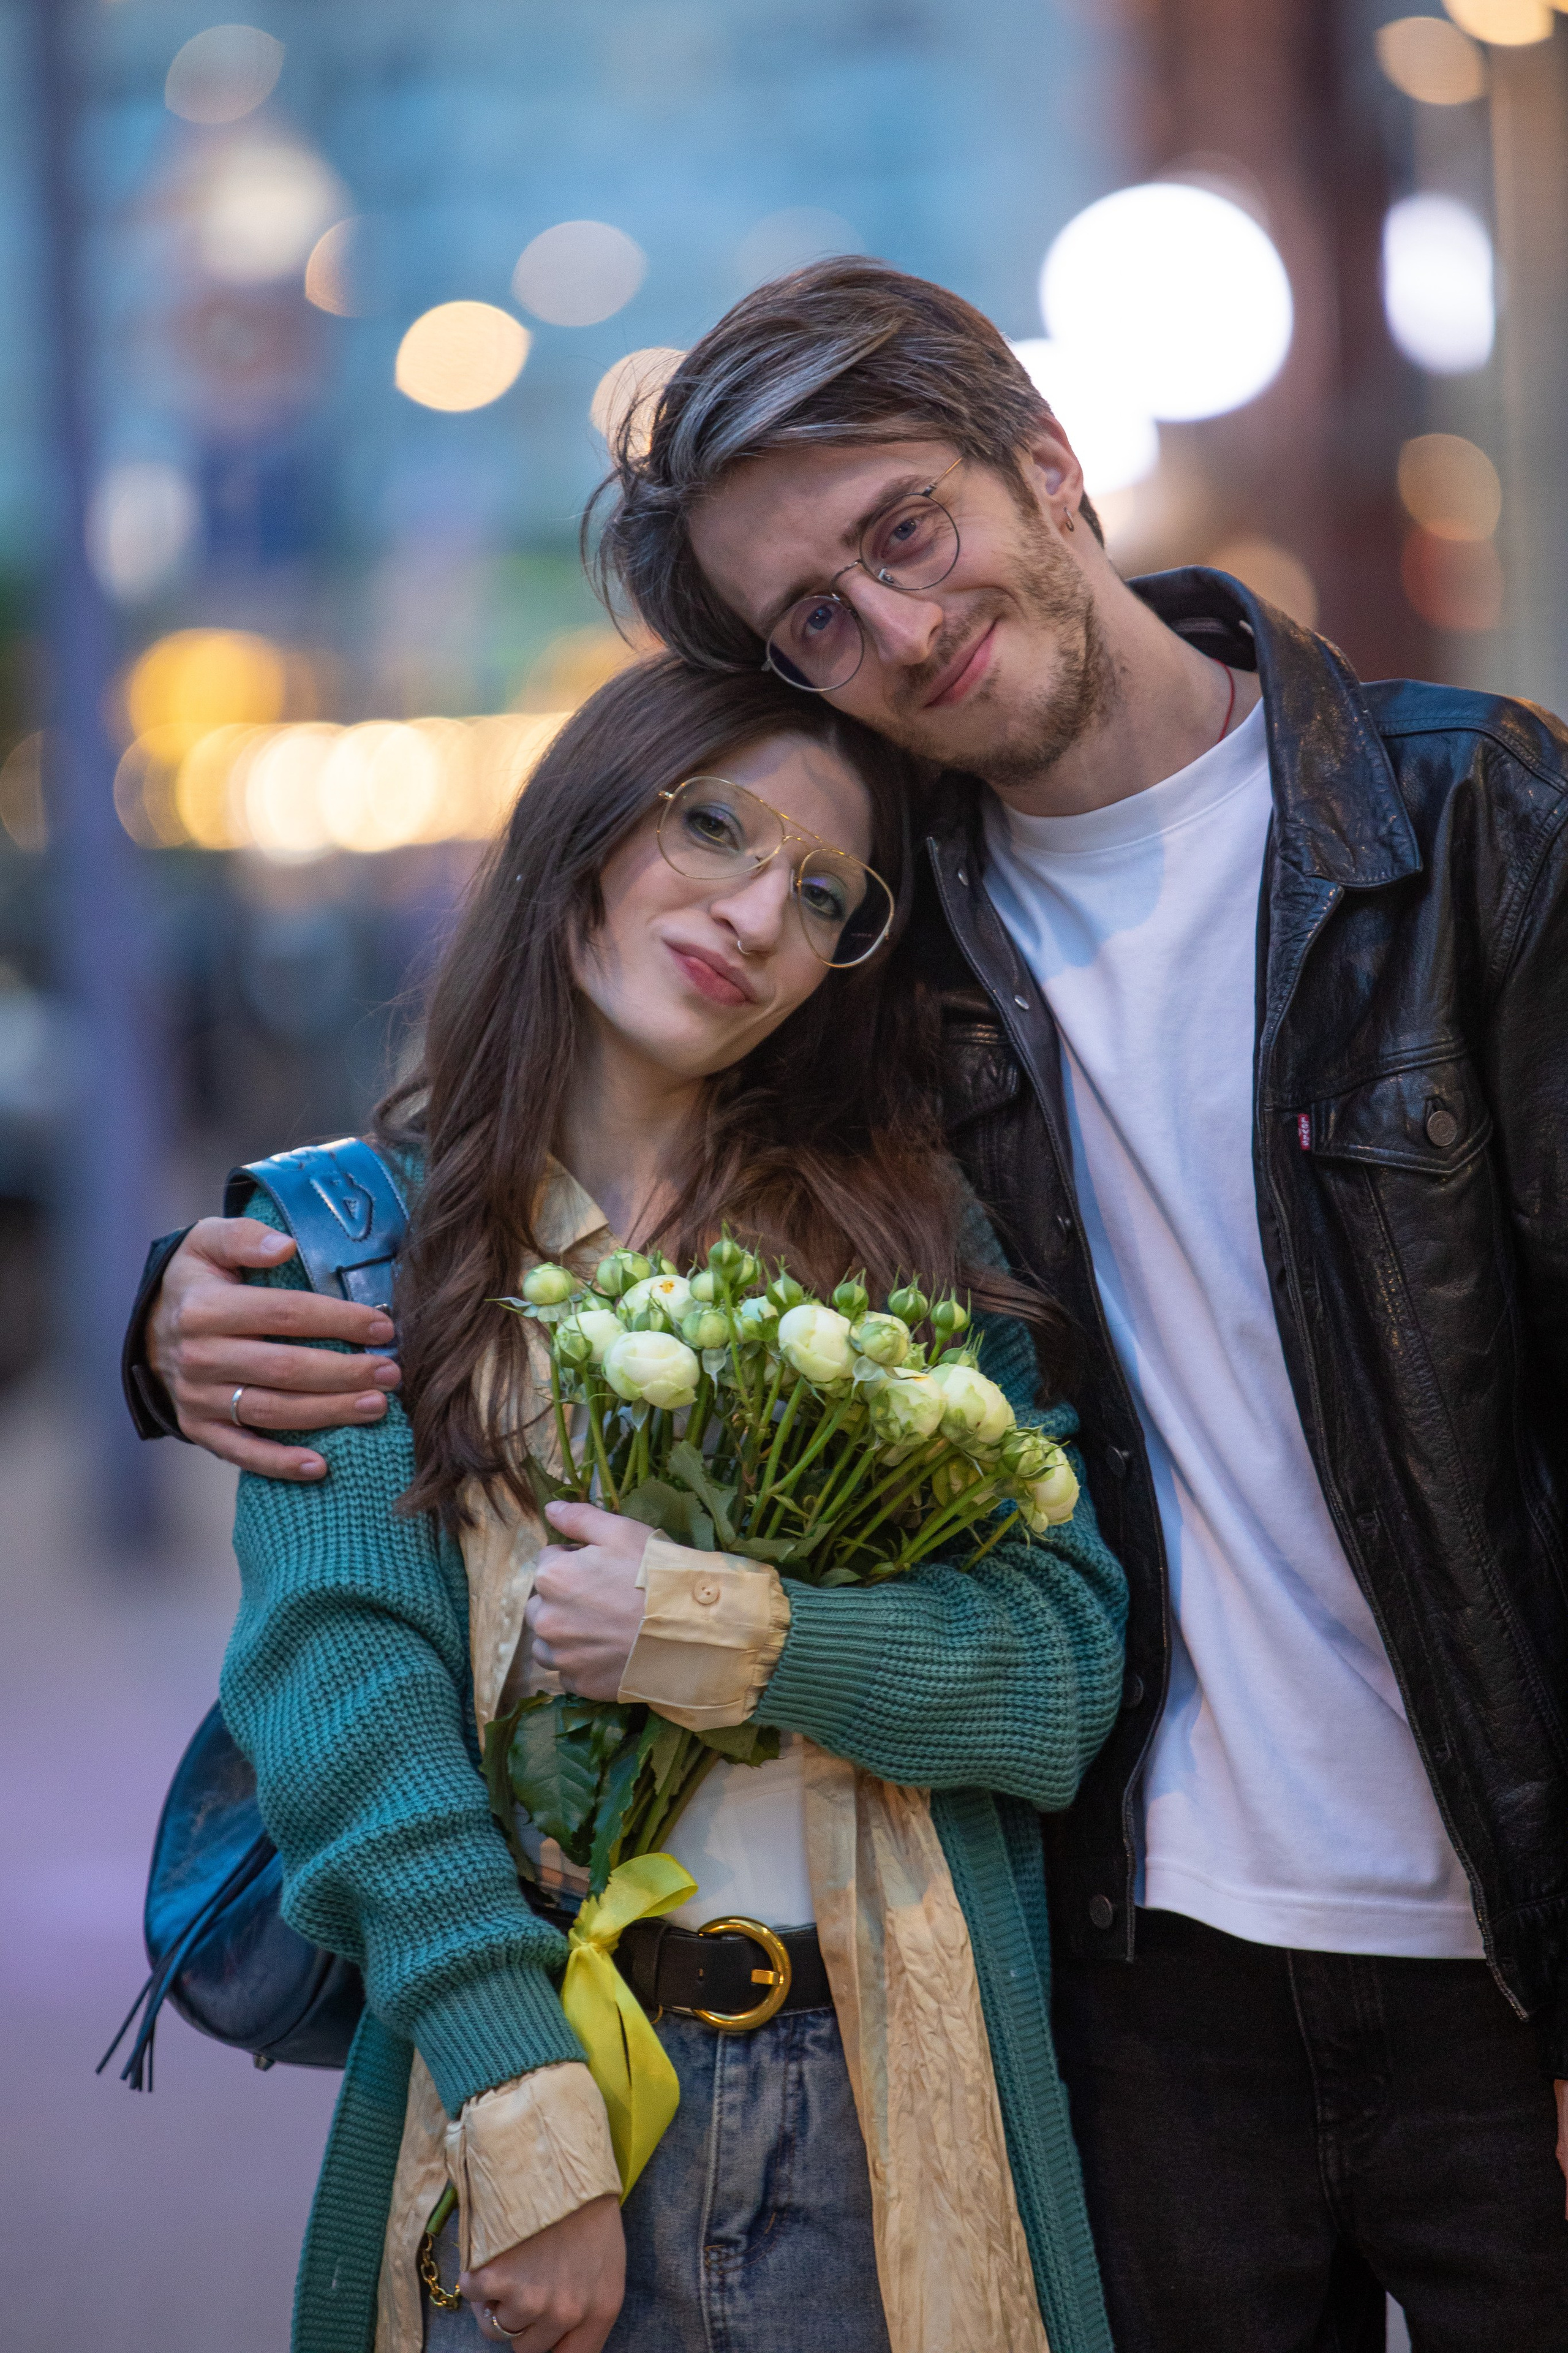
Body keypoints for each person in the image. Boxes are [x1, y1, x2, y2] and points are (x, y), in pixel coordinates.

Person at [127, 259, 1568, 2349]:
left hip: (1496, 1950)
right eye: (813, 616)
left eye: (904, 529)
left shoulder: (1473, 822)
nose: (891, 628)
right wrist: (188, 1311)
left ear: (1047, 466)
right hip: (1116, 1982)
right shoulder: (897, 957)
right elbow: (529, 1211)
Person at [177, 651, 1126, 2353]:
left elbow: (1059, 1671)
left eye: (823, 892)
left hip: (880, 2112)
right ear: (590, 831)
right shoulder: (358, 1243)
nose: (761, 910)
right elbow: (343, 1706)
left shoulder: (902, 1256)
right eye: (716, 827)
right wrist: (523, 2107)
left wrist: (732, 1635)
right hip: (522, 2094)